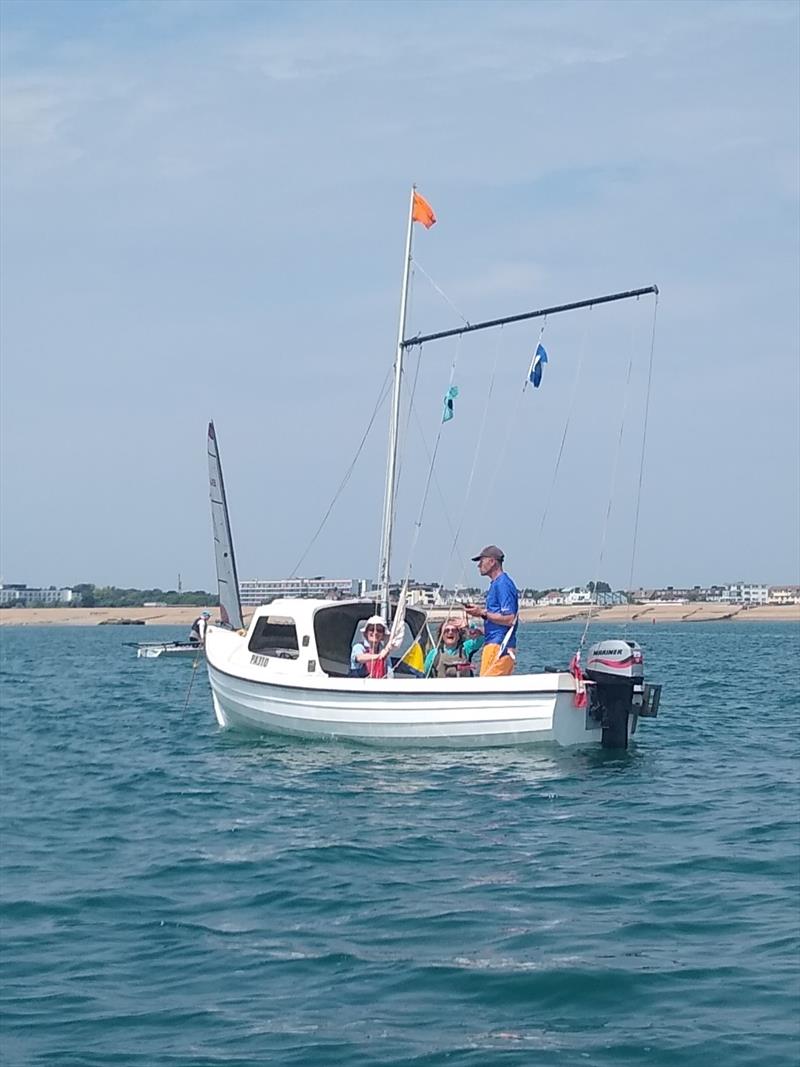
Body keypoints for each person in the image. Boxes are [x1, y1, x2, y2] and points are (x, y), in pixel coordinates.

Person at [464, 545, 518, 676]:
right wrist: (482, 631)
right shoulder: (497, 584)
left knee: (486, 688)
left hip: (498, 646)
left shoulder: (502, 584)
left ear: (492, 561)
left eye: (481, 561)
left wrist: (482, 613)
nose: (479, 566)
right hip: (496, 643)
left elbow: (510, 619)